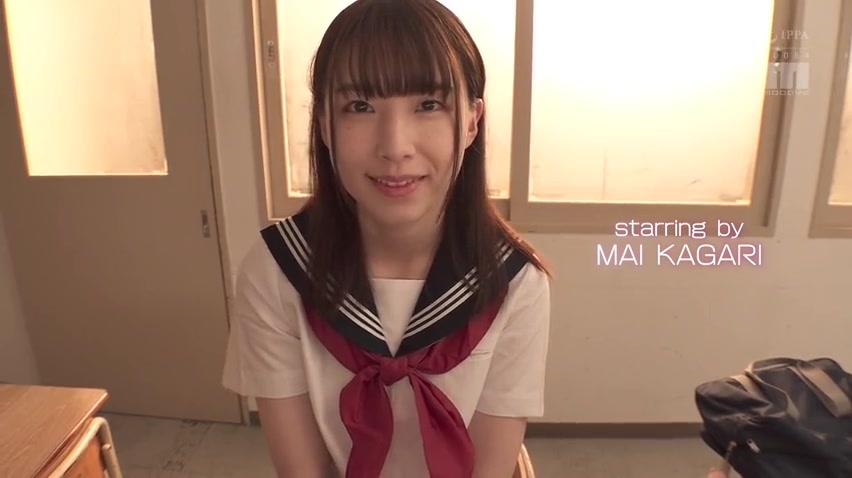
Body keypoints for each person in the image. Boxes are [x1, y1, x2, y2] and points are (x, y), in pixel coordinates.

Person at [221, 0, 552, 476]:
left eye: (428, 104)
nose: (395, 147)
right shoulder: (277, 271)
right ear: (324, 124)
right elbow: (303, 472)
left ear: (472, 120)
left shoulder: (515, 282)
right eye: (360, 106)